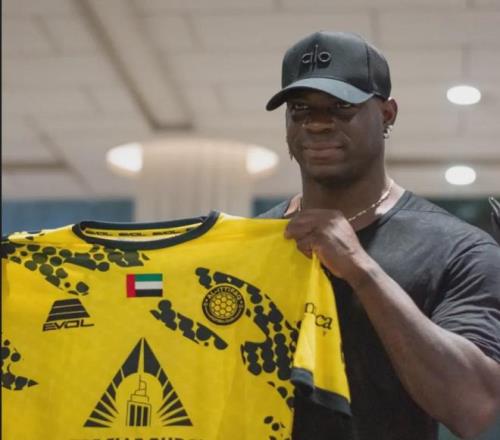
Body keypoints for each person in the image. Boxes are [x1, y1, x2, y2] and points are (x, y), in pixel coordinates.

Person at [259, 31, 500, 440]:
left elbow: (472, 407)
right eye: (300, 109)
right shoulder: (256, 243)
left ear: (387, 114)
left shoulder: (458, 250)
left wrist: (362, 271)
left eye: (341, 106)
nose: (317, 123)